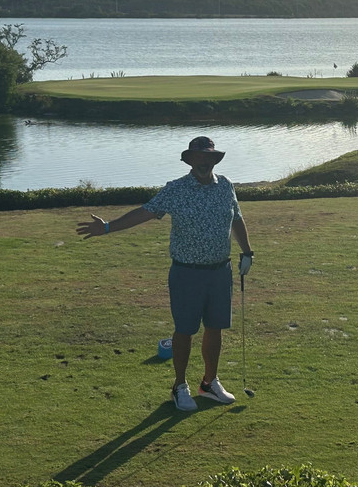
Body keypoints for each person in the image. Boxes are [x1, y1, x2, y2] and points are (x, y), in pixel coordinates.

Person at [75, 136, 254, 411]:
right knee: (185, 330)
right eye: (198, 158)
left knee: (215, 328)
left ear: (214, 160)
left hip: (220, 270)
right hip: (187, 272)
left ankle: (209, 383)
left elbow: (236, 218)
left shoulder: (226, 186)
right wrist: (108, 227)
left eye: (208, 158)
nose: (204, 162)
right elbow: (144, 213)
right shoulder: (176, 189)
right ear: (191, 161)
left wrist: (247, 252)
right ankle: (179, 386)